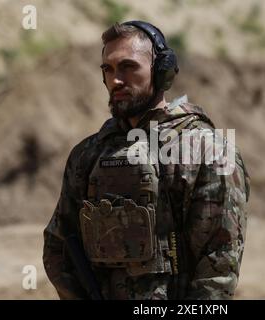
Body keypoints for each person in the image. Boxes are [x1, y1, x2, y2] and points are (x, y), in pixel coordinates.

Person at [42, 20, 250, 300]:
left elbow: (218, 264)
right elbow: (59, 245)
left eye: (128, 67)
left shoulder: (207, 150)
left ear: (162, 73)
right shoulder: (88, 154)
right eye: (108, 69)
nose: (116, 80)